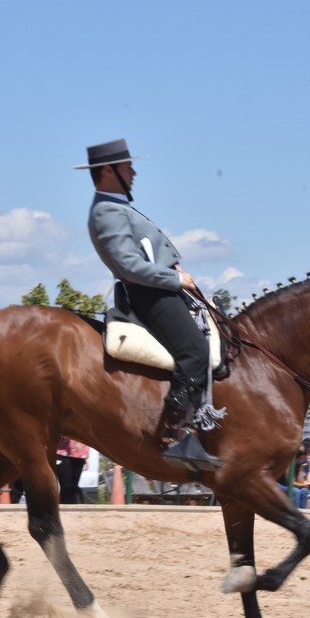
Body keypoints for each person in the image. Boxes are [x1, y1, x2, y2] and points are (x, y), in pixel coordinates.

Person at [79, 138, 222, 472]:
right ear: (108, 171)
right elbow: (129, 266)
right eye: (128, 166)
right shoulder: (106, 211)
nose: (134, 172)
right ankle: (174, 435)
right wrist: (175, 280)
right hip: (149, 293)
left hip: (159, 288)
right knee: (195, 350)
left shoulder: (117, 204)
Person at [278, 438, 310, 509]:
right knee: (296, 491)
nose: (307, 458)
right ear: (302, 456)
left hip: (291, 485)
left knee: (305, 491)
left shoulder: (301, 464)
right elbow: (290, 482)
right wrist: (304, 485)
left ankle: (303, 512)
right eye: (306, 456)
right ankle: (295, 511)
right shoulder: (290, 463)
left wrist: (301, 469)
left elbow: (300, 482)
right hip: (280, 484)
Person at [56, 437, 90, 504]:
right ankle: (64, 510)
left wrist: (86, 456)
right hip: (61, 450)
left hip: (80, 452)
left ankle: (75, 510)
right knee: (66, 487)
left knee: (74, 487)